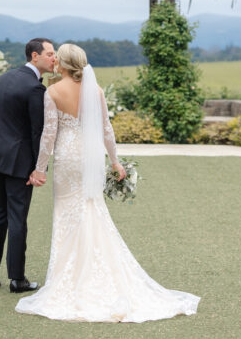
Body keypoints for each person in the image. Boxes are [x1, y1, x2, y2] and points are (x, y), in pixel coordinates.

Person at [16, 42, 201, 322]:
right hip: (91, 160)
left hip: (67, 160)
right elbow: (106, 129)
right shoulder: (96, 91)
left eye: (57, 59)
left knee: (66, 215)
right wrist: (115, 161)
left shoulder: (52, 91)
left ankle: (70, 278)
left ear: (63, 64)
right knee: (91, 209)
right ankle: (95, 273)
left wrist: (39, 169)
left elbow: (48, 135)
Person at [0, 37, 56, 293]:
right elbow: (37, 132)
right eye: (49, 53)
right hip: (19, 163)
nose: (53, 58)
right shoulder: (35, 89)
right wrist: (38, 167)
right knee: (17, 219)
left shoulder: (2, 79)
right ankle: (17, 279)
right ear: (34, 56)